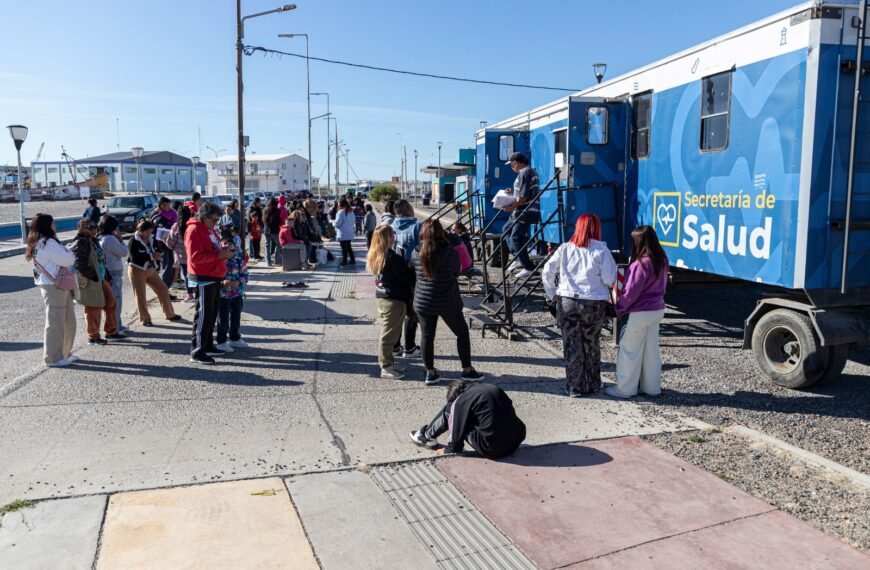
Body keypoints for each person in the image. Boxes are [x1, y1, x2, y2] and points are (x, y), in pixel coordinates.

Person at [542, 214, 617, 397]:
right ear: (596, 228)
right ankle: (593, 384)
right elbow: (609, 279)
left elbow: (547, 271)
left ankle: (574, 387)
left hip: (568, 301)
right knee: (591, 343)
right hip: (594, 302)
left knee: (571, 344)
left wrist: (552, 294)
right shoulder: (602, 250)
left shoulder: (565, 248)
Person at [413, 219, 483, 385]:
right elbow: (456, 271)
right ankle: (467, 370)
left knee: (427, 336)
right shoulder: (449, 251)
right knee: (461, 333)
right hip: (447, 300)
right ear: (440, 233)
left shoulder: (416, 251)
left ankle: (430, 373)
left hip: (423, 301)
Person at [607, 226, 669, 399]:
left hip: (639, 312)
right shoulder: (662, 260)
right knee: (651, 351)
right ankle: (652, 388)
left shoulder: (639, 264)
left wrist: (619, 309)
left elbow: (630, 293)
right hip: (657, 309)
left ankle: (625, 389)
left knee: (630, 350)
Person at [410, 381, 526, 459]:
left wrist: (449, 450)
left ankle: (426, 436)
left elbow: (456, 437)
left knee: (450, 410)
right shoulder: (490, 388)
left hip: (493, 450)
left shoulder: (460, 401)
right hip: (514, 442)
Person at [27, 213, 78, 367]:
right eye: (53, 223)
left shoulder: (40, 242)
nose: (55, 225)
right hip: (53, 286)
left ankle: (64, 353)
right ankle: (52, 358)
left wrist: (67, 254)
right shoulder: (47, 243)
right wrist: (69, 253)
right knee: (56, 322)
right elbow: (68, 259)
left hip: (56, 285)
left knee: (69, 321)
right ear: (47, 225)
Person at [186, 203, 234, 365]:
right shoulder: (194, 230)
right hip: (203, 276)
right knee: (203, 315)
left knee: (211, 314)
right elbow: (195, 257)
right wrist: (219, 255)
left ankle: (206, 344)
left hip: (214, 275)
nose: (216, 223)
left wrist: (224, 250)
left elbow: (214, 248)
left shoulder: (208, 229)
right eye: (214, 220)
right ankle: (197, 350)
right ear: (205, 217)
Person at [367, 225, 415, 379]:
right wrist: (410, 267)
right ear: (386, 238)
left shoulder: (376, 255)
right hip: (395, 300)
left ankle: (389, 363)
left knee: (389, 333)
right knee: (389, 336)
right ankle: (386, 366)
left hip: (382, 297)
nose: (394, 236)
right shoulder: (393, 258)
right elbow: (407, 278)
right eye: (391, 234)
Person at [70, 219, 121, 345]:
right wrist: (94, 277)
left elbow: (101, 261)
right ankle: (93, 336)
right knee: (93, 308)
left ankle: (111, 331)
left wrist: (106, 277)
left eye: (95, 227)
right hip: (92, 281)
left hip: (101, 279)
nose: (94, 229)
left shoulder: (93, 240)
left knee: (110, 303)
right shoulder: (80, 242)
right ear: (82, 229)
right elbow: (79, 263)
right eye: (91, 227)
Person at [127, 219, 181, 327]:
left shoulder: (151, 238)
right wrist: (151, 256)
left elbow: (157, 250)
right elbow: (134, 257)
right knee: (140, 295)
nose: (148, 234)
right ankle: (145, 319)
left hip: (150, 269)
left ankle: (170, 314)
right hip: (137, 269)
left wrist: (157, 258)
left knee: (163, 289)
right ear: (140, 230)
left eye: (150, 231)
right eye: (146, 232)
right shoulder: (133, 240)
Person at [502, 152, 541, 281]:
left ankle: (528, 267)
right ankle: (519, 257)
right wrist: (513, 192)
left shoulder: (524, 173)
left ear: (516, 163)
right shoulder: (531, 172)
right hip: (526, 211)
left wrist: (511, 206)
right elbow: (525, 192)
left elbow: (523, 197)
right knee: (506, 230)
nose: (511, 167)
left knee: (516, 238)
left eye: (511, 165)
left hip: (524, 211)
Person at [215, 236, 249, 352]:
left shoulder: (239, 259)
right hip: (223, 295)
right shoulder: (218, 260)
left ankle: (234, 338)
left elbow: (245, 275)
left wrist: (239, 281)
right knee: (223, 319)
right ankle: (221, 341)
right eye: (225, 244)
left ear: (235, 247)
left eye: (230, 244)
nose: (228, 247)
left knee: (236, 317)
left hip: (237, 294)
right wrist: (222, 281)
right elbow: (214, 275)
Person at [99, 215, 130, 331]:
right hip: (113, 272)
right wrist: (121, 241)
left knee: (110, 301)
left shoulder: (100, 238)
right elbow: (124, 252)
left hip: (107, 272)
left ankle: (116, 324)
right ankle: (116, 326)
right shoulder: (110, 239)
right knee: (116, 301)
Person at [165, 205, 195, 302]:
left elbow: (170, 243)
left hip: (182, 256)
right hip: (194, 255)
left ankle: (190, 295)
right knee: (194, 274)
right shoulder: (193, 226)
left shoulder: (176, 226)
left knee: (186, 275)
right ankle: (197, 292)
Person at [150, 196, 178, 290]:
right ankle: (163, 290)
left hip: (169, 245)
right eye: (168, 205)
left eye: (170, 205)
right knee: (166, 268)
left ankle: (165, 290)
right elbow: (160, 235)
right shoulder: (159, 218)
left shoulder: (170, 215)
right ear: (162, 206)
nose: (170, 207)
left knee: (170, 268)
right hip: (163, 247)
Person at [334, 197, 356, 265]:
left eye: (338, 204)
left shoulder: (340, 212)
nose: (337, 205)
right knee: (349, 247)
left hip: (343, 234)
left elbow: (337, 224)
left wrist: (333, 222)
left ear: (340, 204)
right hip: (350, 232)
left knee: (344, 249)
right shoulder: (351, 211)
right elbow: (353, 221)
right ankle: (352, 260)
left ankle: (344, 261)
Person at [263, 197, 283, 267]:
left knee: (267, 246)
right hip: (274, 230)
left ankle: (268, 262)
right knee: (279, 245)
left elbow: (263, 220)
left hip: (266, 230)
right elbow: (278, 220)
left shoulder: (265, 209)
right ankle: (277, 260)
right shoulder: (277, 210)